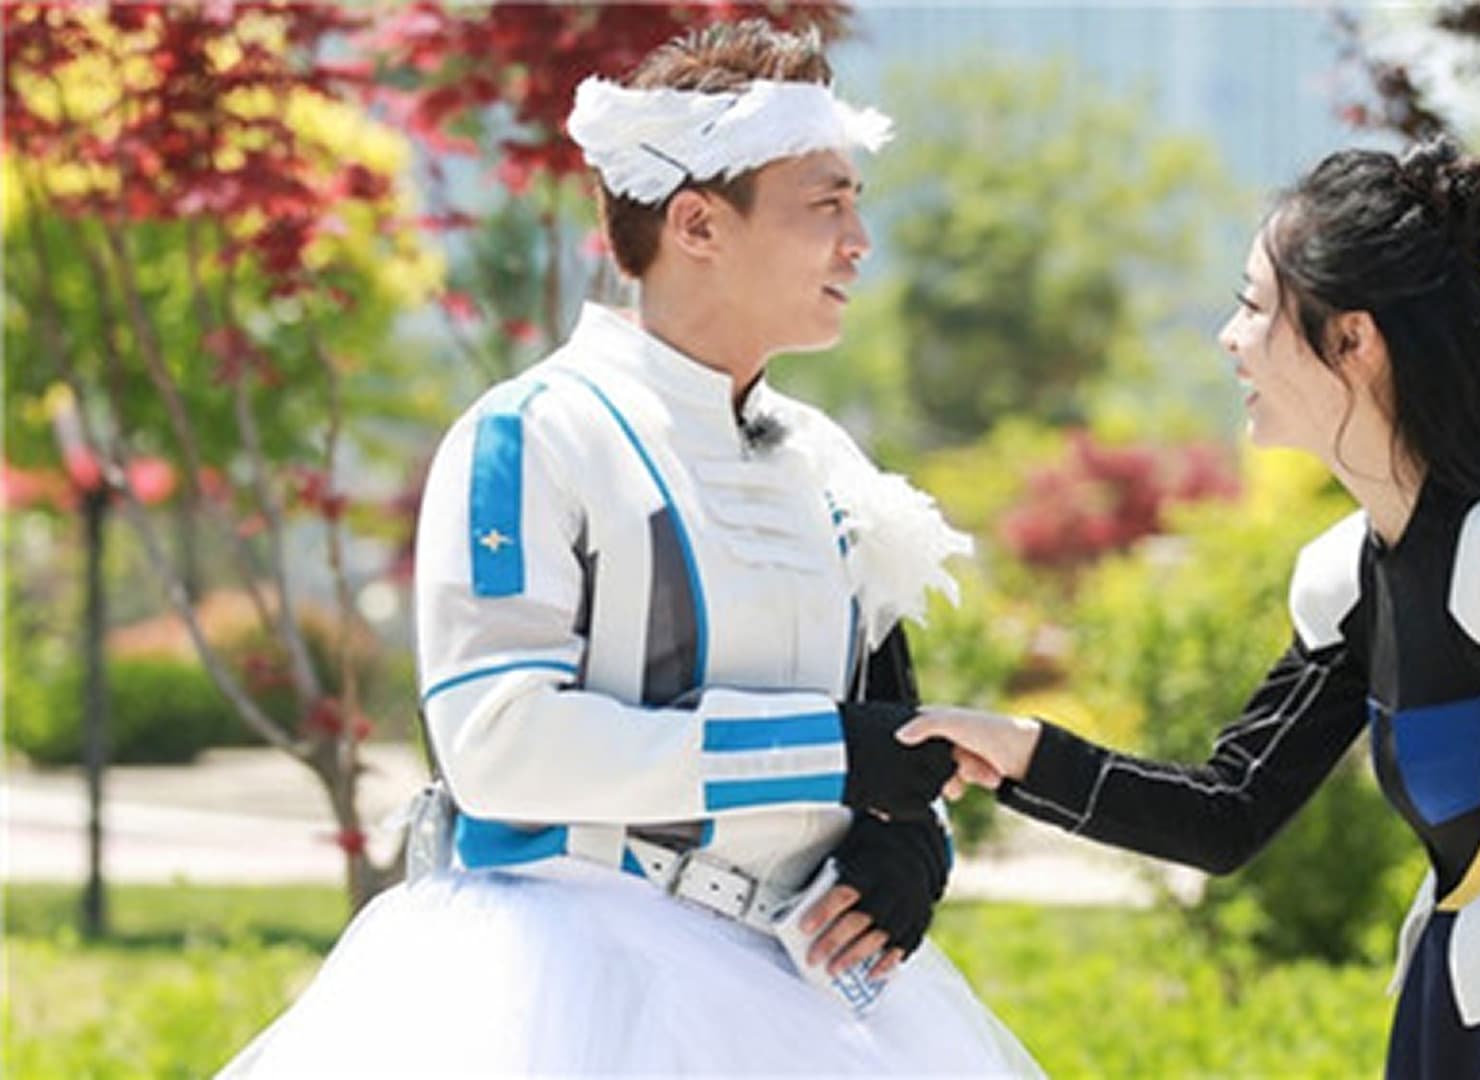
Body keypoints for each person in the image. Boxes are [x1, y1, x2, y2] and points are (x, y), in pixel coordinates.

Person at [223, 20, 1034, 1076]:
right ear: (696, 224)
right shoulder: (535, 435)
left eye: (856, 203)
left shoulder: (828, 459)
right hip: (565, 983)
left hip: (804, 1002)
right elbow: (498, 746)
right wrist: (830, 754)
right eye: (826, 205)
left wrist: (908, 838)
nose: (859, 241)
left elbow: (885, 718)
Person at [904, 140, 1480, 1079]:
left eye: (1253, 306)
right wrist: (1021, 753)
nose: (1229, 338)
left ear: (1353, 339)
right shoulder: (1351, 574)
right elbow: (1229, 811)